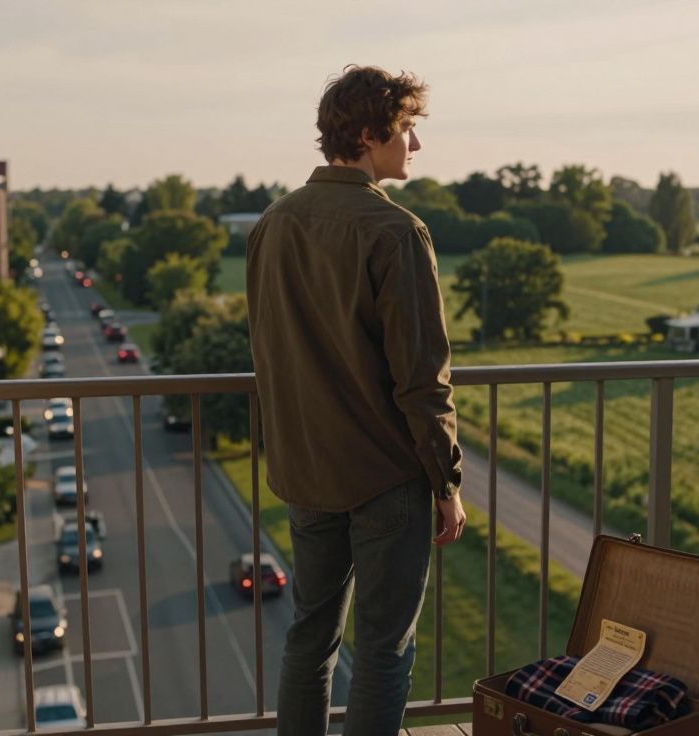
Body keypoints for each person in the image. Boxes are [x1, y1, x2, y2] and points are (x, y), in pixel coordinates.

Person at [246, 65, 466, 736]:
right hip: (384, 477)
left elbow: (268, 354)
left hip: (305, 471)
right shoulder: (395, 231)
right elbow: (422, 378)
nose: (415, 147)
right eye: (407, 130)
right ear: (370, 134)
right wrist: (446, 481)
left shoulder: (272, 226)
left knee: (310, 639)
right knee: (381, 648)